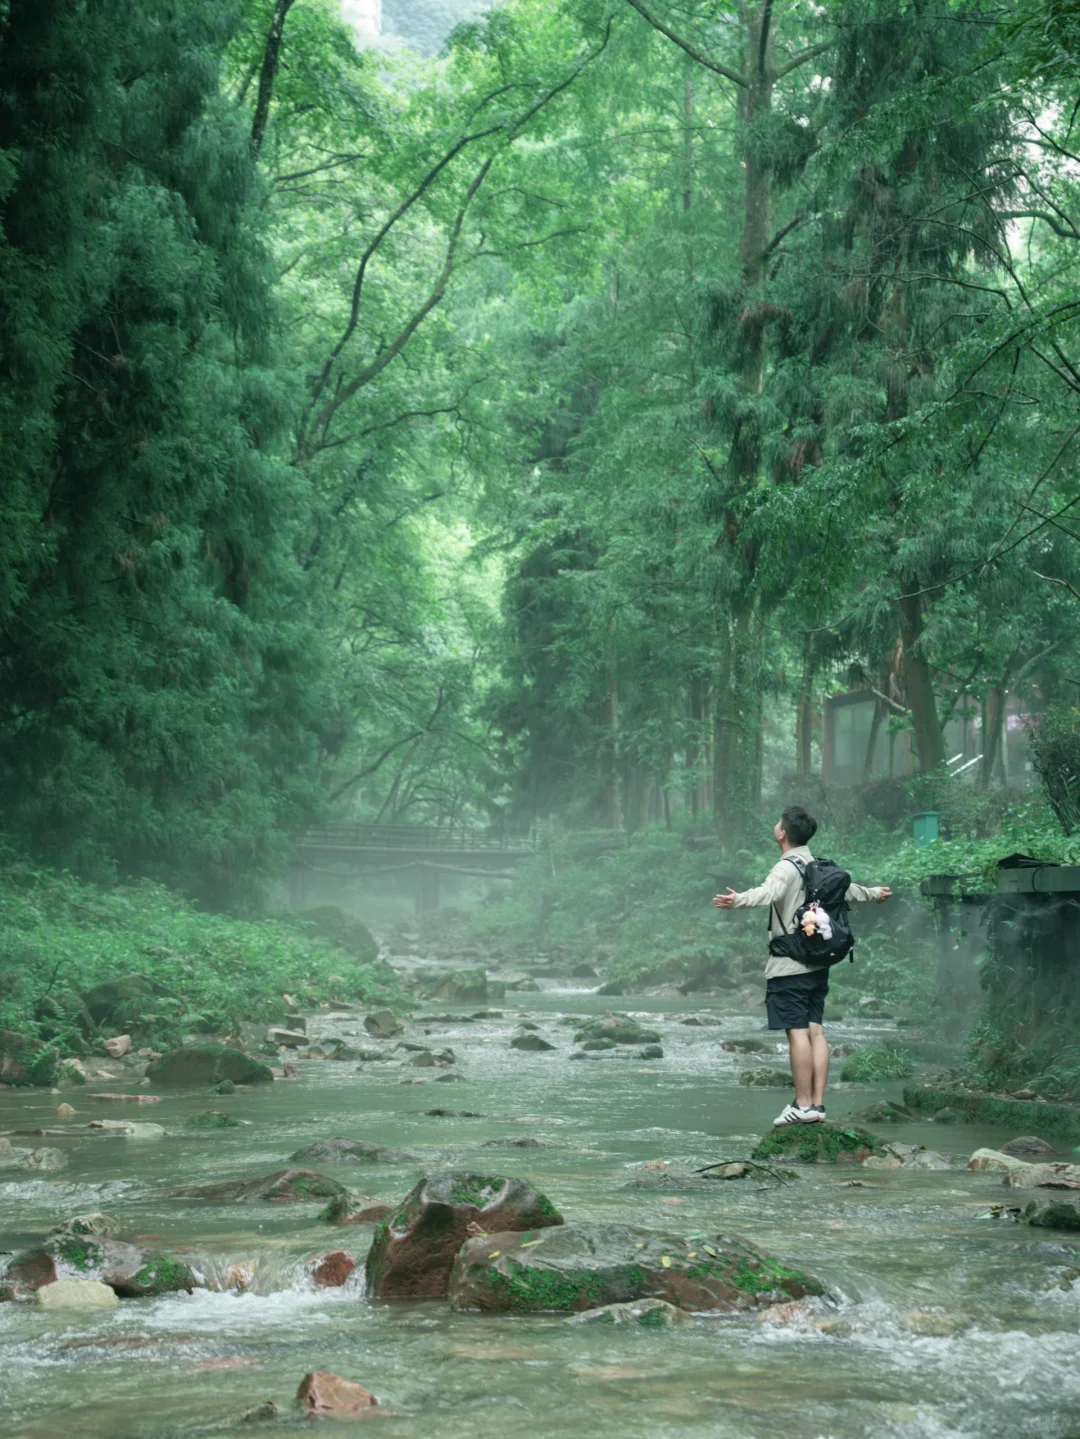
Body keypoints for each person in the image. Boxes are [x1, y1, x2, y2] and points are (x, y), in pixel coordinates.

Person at [713, 805, 891, 1126]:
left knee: (797, 1034)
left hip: (788, 964)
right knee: (816, 1031)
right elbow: (849, 890)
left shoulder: (785, 867)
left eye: (778, 823)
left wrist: (737, 899)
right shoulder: (817, 864)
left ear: (782, 833)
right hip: (818, 963)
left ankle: (803, 1105)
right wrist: (875, 893)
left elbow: (767, 893)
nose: (776, 825)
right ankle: (818, 1105)